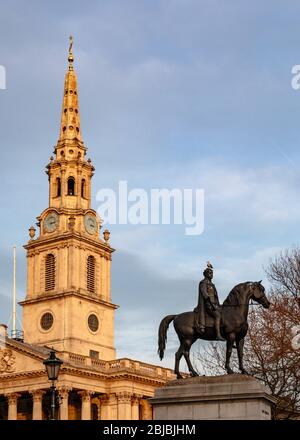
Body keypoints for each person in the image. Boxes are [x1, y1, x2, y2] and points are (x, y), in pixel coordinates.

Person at [194, 262, 225, 341]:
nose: (211, 274)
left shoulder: (212, 284)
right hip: (208, 305)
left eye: (212, 273)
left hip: (215, 304)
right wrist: (211, 304)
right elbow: (205, 294)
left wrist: (218, 305)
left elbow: (215, 296)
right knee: (217, 315)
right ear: (205, 274)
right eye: (210, 273)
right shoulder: (203, 283)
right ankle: (218, 335)